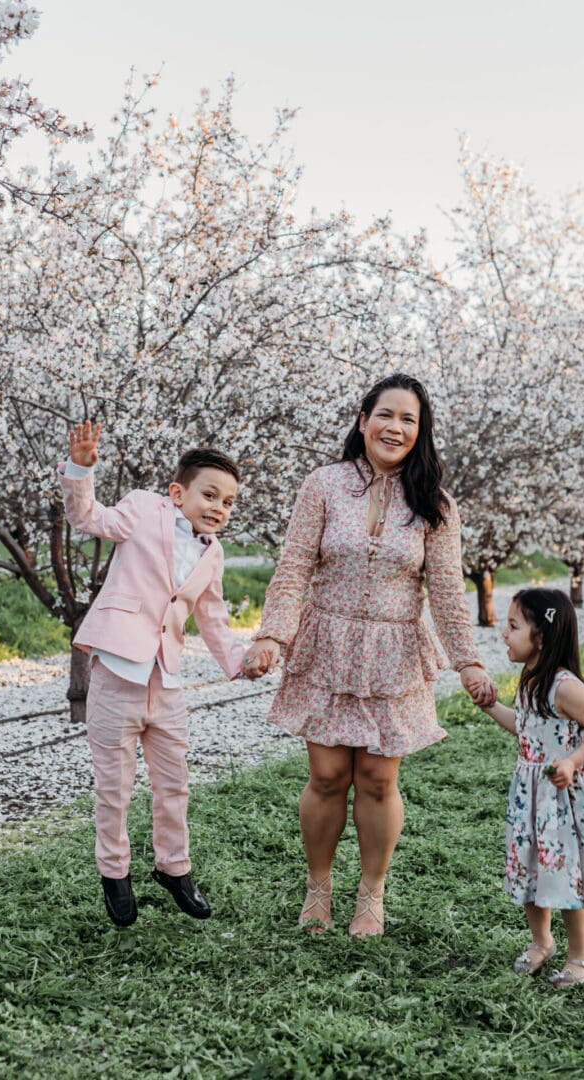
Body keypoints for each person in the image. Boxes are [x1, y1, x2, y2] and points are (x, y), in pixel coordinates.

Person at [243, 373, 497, 938]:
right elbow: (293, 570)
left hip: (394, 650)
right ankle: (318, 889)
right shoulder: (324, 485)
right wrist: (272, 636)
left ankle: (372, 894)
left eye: (409, 419)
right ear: (364, 421)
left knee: (379, 779)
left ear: (420, 431)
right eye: (387, 415)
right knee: (329, 774)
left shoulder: (435, 503)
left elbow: (450, 593)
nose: (396, 427)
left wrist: (469, 662)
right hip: (326, 644)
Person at [58, 421, 259, 927]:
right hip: (116, 672)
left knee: (175, 784)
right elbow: (88, 518)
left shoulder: (212, 553)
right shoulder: (145, 510)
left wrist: (238, 662)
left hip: (166, 681)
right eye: (210, 494)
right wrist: (82, 468)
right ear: (178, 492)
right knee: (115, 786)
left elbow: (212, 618)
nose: (219, 507)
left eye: (229, 502)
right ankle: (115, 873)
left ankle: (175, 867)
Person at [480, 587, 584, 988]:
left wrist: (571, 761)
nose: (504, 633)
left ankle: (580, 952)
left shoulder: (564, 685)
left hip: (565, 797)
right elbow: (525, 728)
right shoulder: (530, 679)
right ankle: (541, 942)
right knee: (532, 868)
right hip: (531, 795)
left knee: (567, 875)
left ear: (543, 637)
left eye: (514, 626)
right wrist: (489, 705)